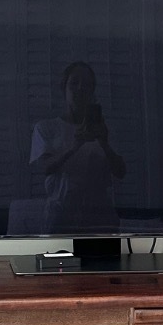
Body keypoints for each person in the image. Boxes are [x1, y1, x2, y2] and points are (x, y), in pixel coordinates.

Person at [30, 61, 126, 233]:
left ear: (93, 91)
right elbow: (44, 167)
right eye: (74, 82)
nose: (81, 88)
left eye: (87, 84)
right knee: (60, 259)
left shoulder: (104, 128)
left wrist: (104, 142)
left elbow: (121, 172)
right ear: (64, 89)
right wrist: (74, 146)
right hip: (61, 216)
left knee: (104, 259)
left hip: (100, 215)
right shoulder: (46, 128)